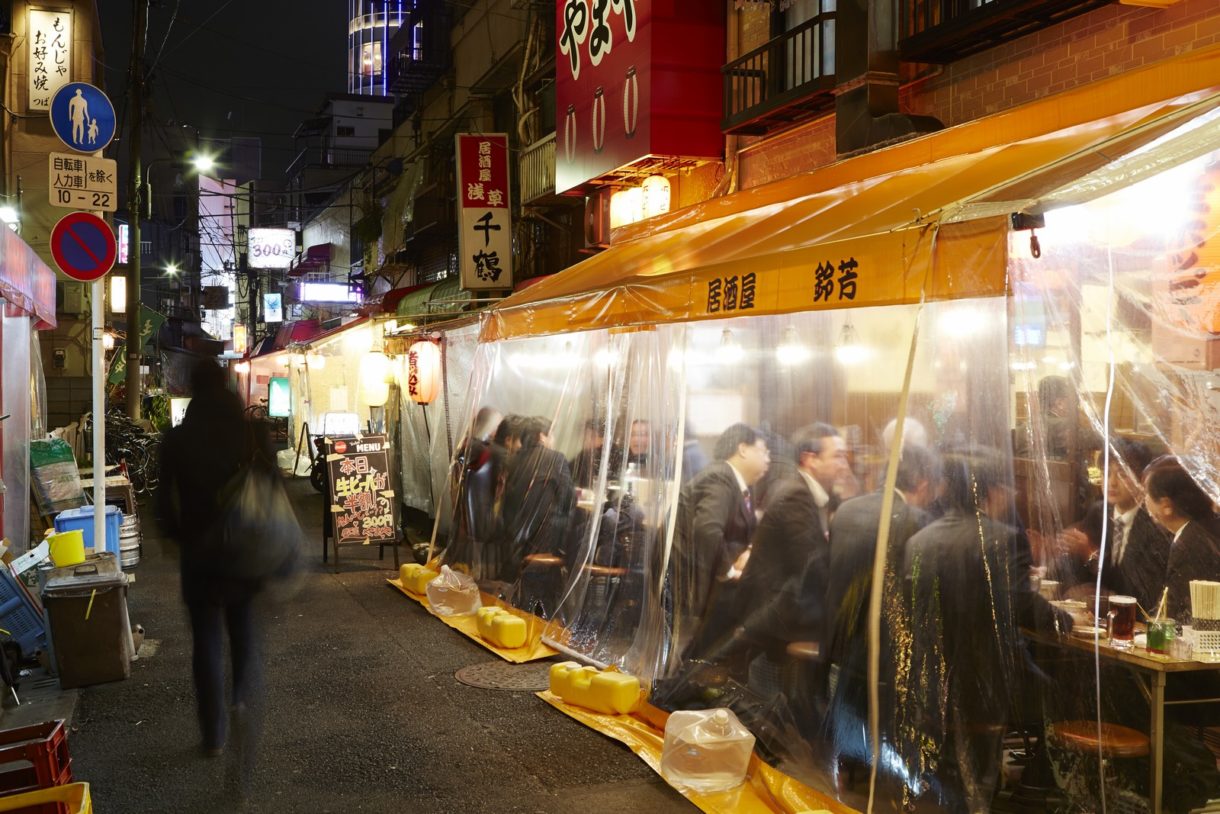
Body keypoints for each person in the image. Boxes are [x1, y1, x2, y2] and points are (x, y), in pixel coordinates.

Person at [901, 446, 1070, 813]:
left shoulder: (920, 540)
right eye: (1008, 488)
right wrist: (1065, 620)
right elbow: (1022, 605)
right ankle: (1038, 782)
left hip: (928, 682)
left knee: (952, 773)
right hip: (984, 683)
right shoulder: (1000, 539)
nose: (1013, 495)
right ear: (992, 490)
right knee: (1065, 694)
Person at [157, 358, 271, 790]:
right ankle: (241, 700)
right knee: (243, 633)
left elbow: (164, 507)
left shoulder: (177, 439)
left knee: (205, 641)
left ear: (192, 389)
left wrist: (179, 537)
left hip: (199, 557)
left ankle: (213, 734)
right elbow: (271, 488)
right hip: (244, 553)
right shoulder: (250, 432)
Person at [821, 444, 939, 787]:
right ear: (923, 482)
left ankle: (848, 760)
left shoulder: (848, 509)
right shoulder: (917, 521)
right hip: (884, 646)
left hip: (838, 636)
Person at [734, 423, 850, 699]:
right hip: (778, 625)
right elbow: (813, 565)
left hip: (784, 614)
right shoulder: (795, 495)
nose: (845, 464)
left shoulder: (810, 493)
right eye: (838, 456)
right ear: (810, 459)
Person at [671, 423, 770, 662]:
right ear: (743, 449)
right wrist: (728, 572)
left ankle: (706, 674)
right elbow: (707, 530)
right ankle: (696, 679)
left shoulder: (739, 483)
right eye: (764, 451)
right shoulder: (720, 477)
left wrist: (747, 551)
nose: (768, 459)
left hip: (701, 575)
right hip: (689, 578)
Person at [1061, 439, 1170, 610]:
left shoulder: (1155, 522)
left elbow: (1139, 593)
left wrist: (1091, 555)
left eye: (1122, 474)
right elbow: (1080, 578)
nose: (1111, 482)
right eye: (1106, 473)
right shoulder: (1099, 512)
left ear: (1142, 478)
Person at [500, 416, 576, 617]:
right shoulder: (555, 458)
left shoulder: (514, 459)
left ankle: (523, 610)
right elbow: (568, 499)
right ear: (542, 436)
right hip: (544, 541)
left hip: (513, 539)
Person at [1144, 457, 1220, 623]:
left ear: (1166, 505)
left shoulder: (1191, 544)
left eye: (1146, 493)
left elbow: (1175, 615)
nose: (1145, 500)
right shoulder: (1209, 526)